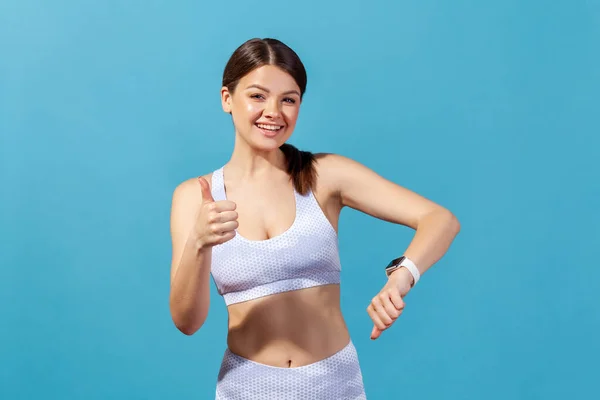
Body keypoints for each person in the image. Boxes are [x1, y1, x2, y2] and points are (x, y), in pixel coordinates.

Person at [169, 38, 461, 399]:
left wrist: (401, 278)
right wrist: (199, 243)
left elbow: (440, 219)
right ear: (227, 99)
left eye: (288, 99)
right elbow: (187, 322)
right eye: (257, 96)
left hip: (336, 384)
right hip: (248, 388)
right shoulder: (194, 197)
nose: (273, 111)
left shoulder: (324, 176)